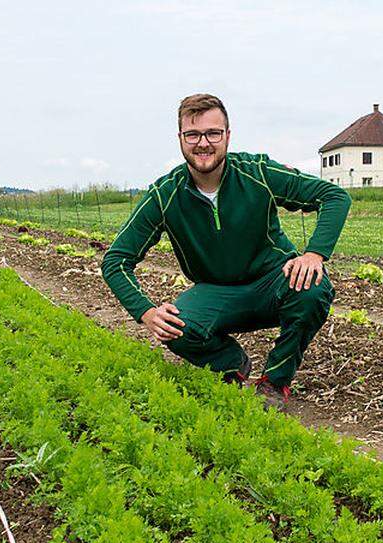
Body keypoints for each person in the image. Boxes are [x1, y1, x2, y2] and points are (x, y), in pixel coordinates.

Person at [101, 93, 351, 411]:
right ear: (180, 139)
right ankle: (231, 366)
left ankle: (274, 382)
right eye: (192, 134)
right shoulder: (165, 195)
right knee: (174, 328)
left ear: (227, 136)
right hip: (216, 293)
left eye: (213, 133)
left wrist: (315, 254)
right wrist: (147, 312)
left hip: (271, 281)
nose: (203, 143)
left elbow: (333, 196)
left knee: (313, 288)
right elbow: (116, 261)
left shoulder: (256, 172)